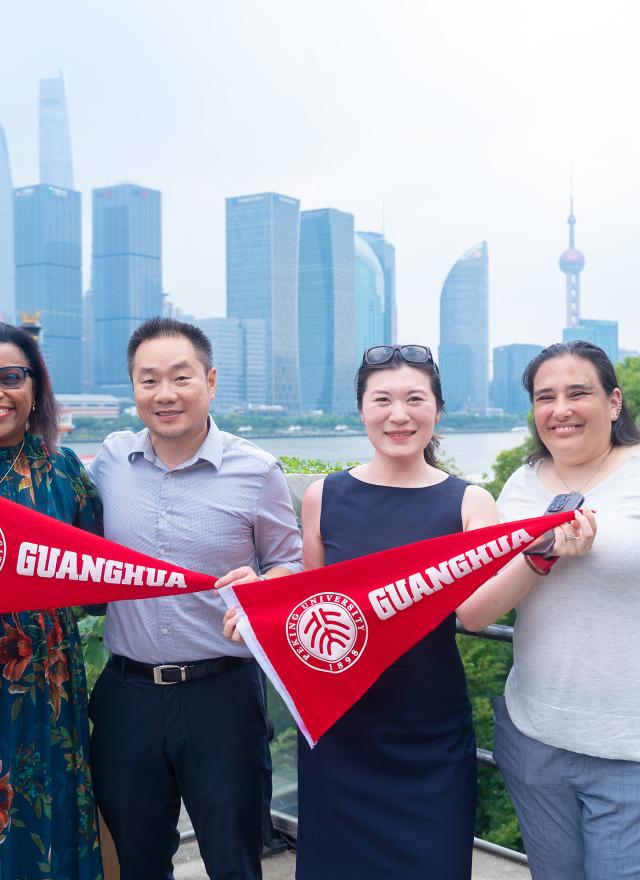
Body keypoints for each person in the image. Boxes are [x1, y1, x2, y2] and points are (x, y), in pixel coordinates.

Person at [293, 344, 595, 880]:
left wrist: (539, 556)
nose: (398, 414)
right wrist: (254, 602)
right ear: (361, 410)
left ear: (437, 409)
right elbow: (310, 612)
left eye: (415, 399)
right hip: (339, 731)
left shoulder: (469, 503)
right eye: (381, 399)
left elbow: (477, 613)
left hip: (428, 734)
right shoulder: (324, 496)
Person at [88, 317, 302, 880]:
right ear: (132, 388)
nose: (165, 395)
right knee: (136, 858)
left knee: (234, 858)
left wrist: (266, 586)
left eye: (180, 378)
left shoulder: (256, 471)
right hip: (126, 694)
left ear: (210, 381)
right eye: (148, 380)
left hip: (223, 696)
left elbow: (292, 563)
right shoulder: (108, 462)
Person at [492, 340, 640, 880]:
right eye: (544, 397)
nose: (561, 409)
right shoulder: (522, 484)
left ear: (614, 401)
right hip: (535, 737)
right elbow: (478, 609)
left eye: (579, 393)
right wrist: (539, 557)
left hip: (630, 749)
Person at [0, 323, 103, 879]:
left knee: (49, 814)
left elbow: (99, 587)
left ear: (34, 387)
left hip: (47, 685)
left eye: (10, 377)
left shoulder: (65, 475)